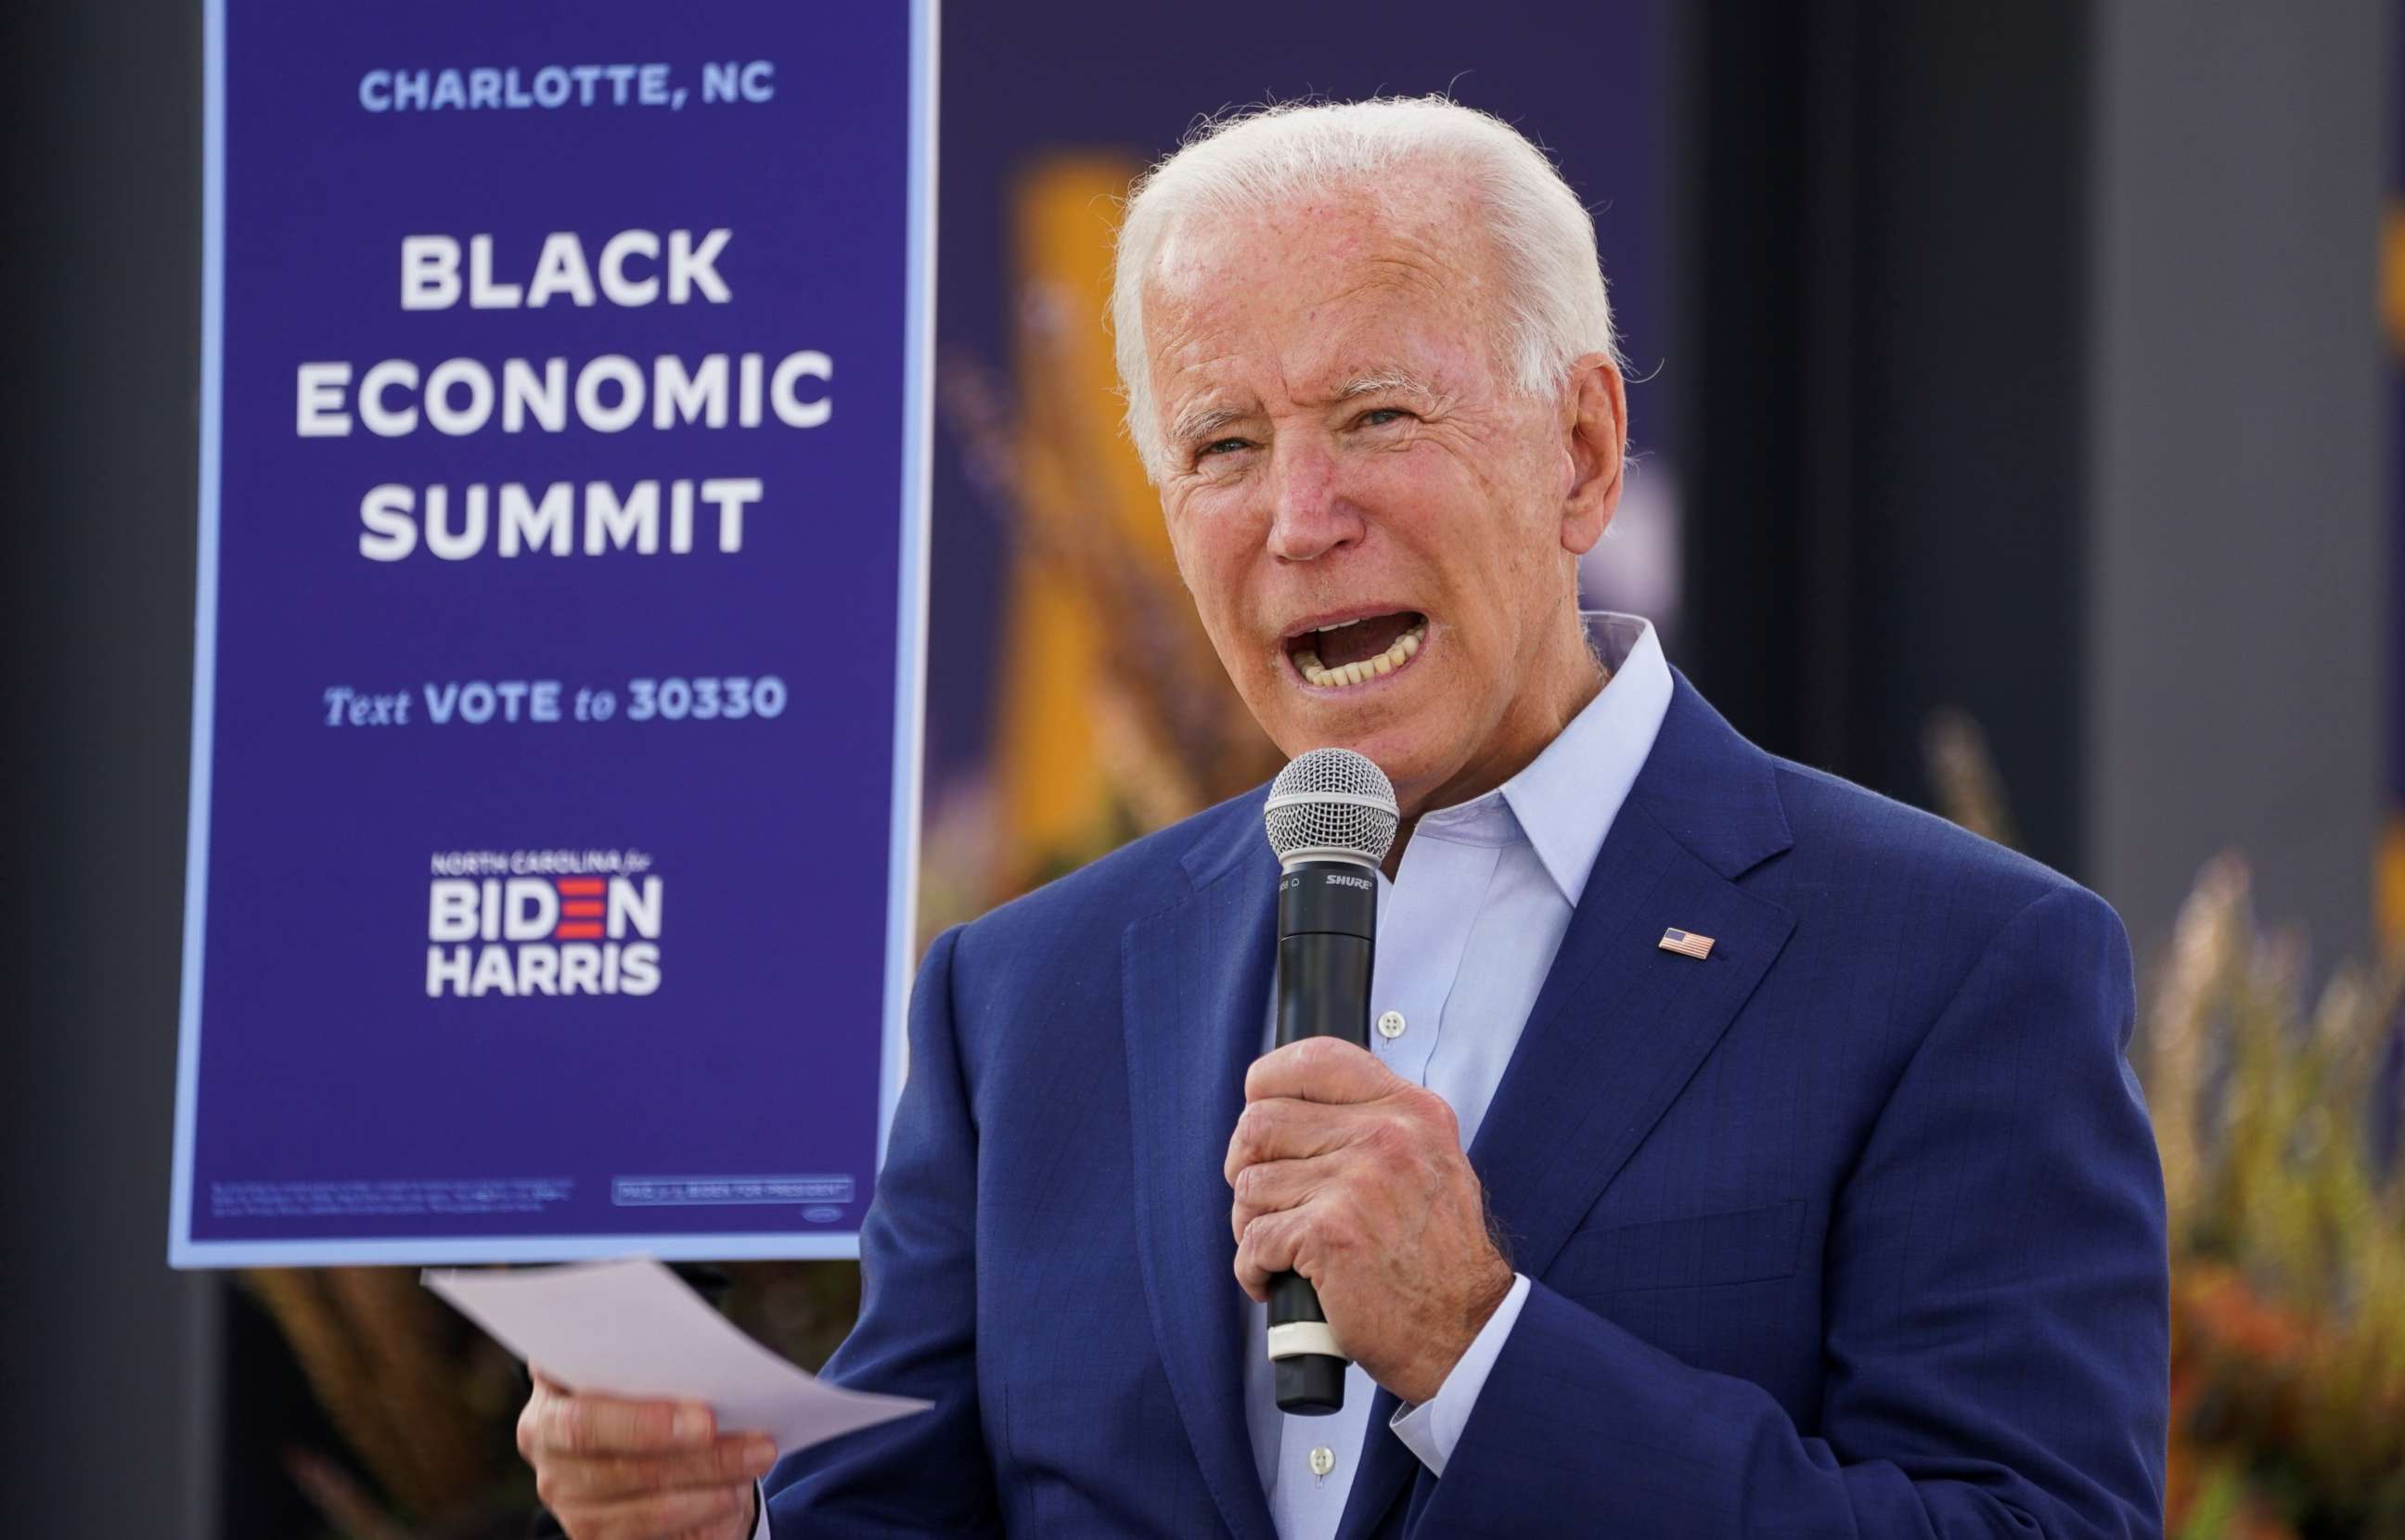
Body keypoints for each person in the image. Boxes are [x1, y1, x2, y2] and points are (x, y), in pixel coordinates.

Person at [515, 96, 2169, 1539]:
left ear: (1583, 453)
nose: (1303, 519)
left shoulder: (1956, 964)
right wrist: (721, 1527)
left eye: (1379, 416)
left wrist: (1478, 1350)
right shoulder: (1024, 999)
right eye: (1223, 445)